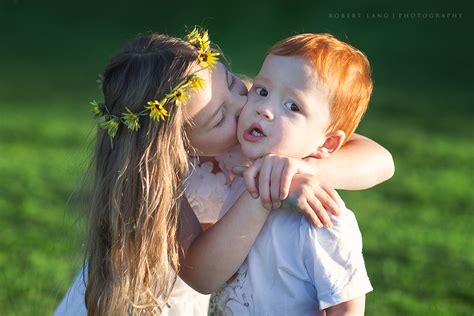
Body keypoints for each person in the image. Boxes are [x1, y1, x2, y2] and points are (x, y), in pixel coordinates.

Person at [55, 29, 394, 315]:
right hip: (150, 302)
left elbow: (380, 160)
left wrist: (293, 170)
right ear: (178, 144)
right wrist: (261, 194)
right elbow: (202, 274)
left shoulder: (257, 107)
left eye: (235, 86)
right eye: (219, 118)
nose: (247, 107)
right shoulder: (159, 178)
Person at [210, 33, 382, 315]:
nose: (264, 109)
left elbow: (345, 307)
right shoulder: (238, 179)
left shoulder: (321, 214)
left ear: (326, 144)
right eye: (262, 91)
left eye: (292, 106)